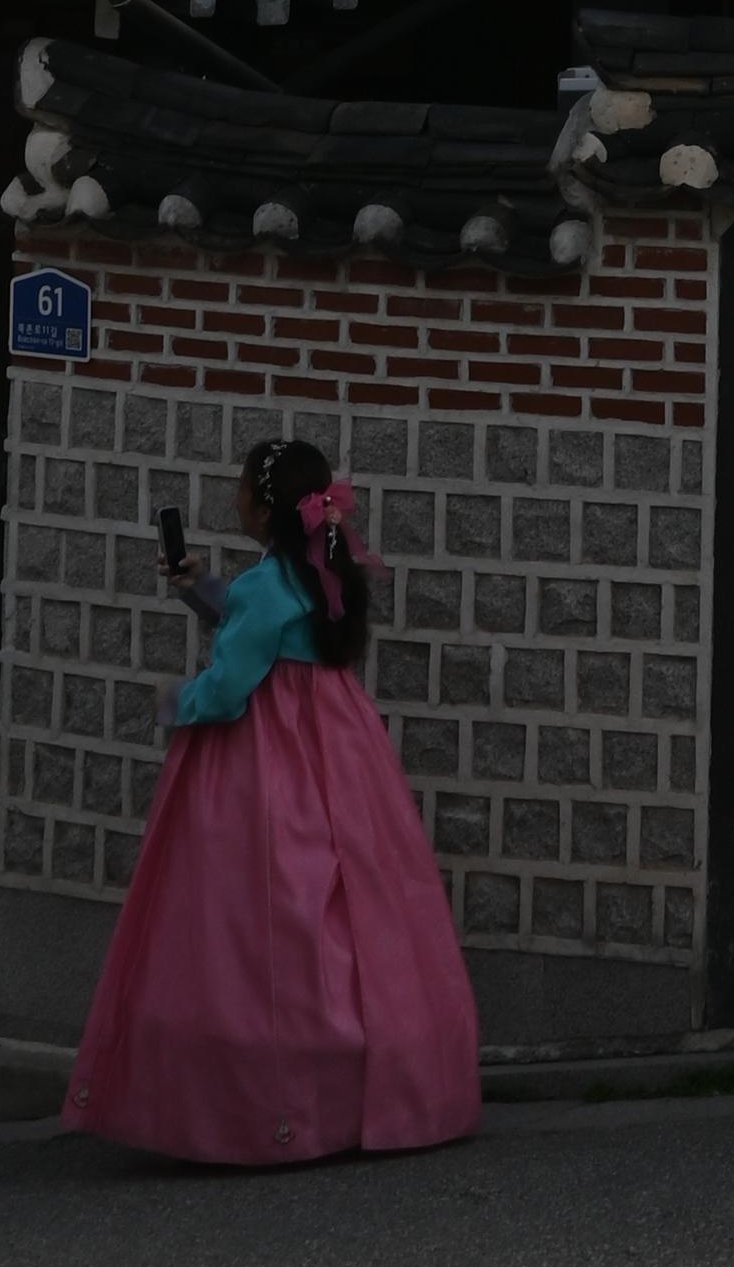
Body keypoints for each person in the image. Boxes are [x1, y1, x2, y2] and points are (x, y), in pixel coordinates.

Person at [62, 435, 479, 1167]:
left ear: (261, 508)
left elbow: (230, 688)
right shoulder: (323, 573)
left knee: (260, 914)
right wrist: (203, 589)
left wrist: (173, 701)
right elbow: (268, 624)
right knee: (353, 903)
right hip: (341, 752)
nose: (234, 500)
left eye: (239, 489)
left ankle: (265, 1093)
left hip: (267, 760)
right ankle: (378, 1080)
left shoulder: (265, 586)